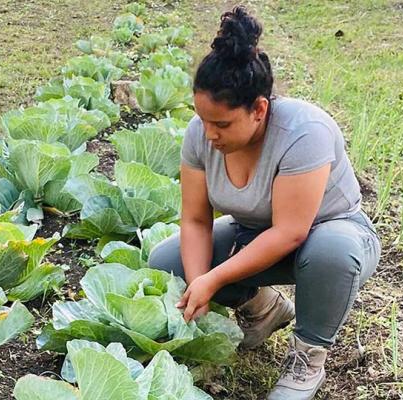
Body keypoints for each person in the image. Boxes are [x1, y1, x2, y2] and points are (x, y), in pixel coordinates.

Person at [147, 5, 381, 400]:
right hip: (253, 235)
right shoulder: (200, 136)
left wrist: (216, 278)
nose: (210, 134)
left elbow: (291, 231)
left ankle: (308, 356)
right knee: (167, 261)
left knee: (331, 252)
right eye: (203, 120)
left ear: (259, 109)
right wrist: (197, 280)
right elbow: (195, 221)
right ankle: (264, 309)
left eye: (221, 124)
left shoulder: (304, 131)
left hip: (330, 234)